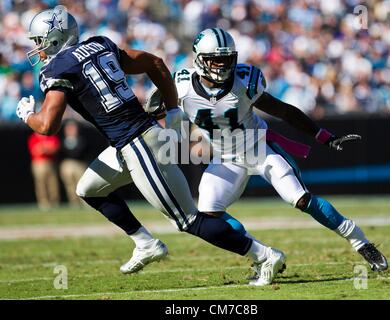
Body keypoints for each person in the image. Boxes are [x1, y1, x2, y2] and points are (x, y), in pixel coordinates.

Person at [16, 8, 284, 286]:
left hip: (139, 142)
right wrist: (171, 110)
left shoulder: (57, 68)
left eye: (40, 40)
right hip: (131, 140)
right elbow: (154, 62)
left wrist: (27, 115)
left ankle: (265, 255)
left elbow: (48, 125)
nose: (37, 47)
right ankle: (145, 243)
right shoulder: (99, 44)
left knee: (189, 220)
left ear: (56, 38)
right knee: (88, 190)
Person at [156, 28, 388, 274]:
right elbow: (160, 110)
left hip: (259, 147)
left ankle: (361, 242)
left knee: (301, 199)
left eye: (227, 58)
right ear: (199, 59)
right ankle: (264, 256)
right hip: (225, 157)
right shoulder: (181, 85)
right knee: (208, 215)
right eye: (216, 59)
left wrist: (323, 136)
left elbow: (284, 111)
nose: (223, 65)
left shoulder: (245, 82)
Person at [27, 131, 61, 210]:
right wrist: (46, 148)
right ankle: (43, 202)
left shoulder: (50, 136)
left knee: (53, 183)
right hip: (38, 163)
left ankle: (54, 202)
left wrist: (44, 148)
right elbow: (35, 151)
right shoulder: (33, 137)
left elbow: (55, 148)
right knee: (41, 184)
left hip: (50, 162)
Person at [59, 120, 87, 207]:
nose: (71, 130)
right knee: (70, 185)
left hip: (79, 164)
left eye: (73, 128)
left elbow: (83, 152)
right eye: (69, 128)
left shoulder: (81, 139)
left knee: (83, 184)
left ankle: (86, 203)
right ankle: (74, 203)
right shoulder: (63, 140)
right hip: (67, 164)